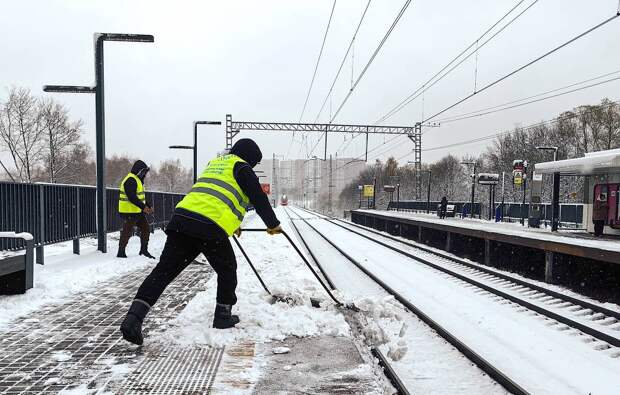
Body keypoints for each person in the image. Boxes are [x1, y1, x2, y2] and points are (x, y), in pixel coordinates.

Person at [120, 139, 282, 345]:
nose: (253, 167)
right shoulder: (242, 167)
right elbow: (259, 199)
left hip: (182, 221)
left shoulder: (216, 164)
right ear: (249, 157)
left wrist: (232, 224)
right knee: (227, 269)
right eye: (254, 163)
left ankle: (133, 319)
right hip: (209, 227)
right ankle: (223, 316)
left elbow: (212, 197)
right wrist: (273, 224)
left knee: (163, 272)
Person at [117, 160, 155, 259]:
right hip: (128, 211)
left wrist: (148, 205)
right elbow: (132, 197)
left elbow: (140, 197)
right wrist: (144, 207)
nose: (145, 175)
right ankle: (121, 252)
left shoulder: (137, 180)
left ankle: (143, 250)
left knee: (146, 228)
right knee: (127, 231)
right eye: (144, 172)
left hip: (136, 211)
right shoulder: (130, 180)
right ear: (139, 171)